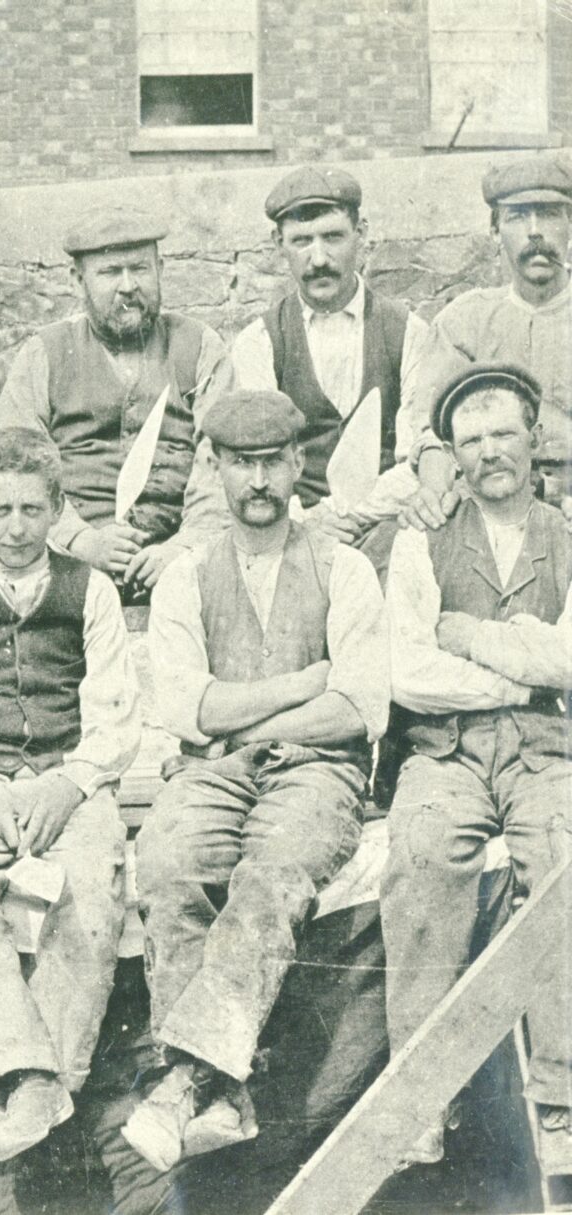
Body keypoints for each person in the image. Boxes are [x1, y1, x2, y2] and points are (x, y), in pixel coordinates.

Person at [129, 389, 389, 1173]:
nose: (259, 480)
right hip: (212, 771)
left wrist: (244, 720)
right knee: (168, 860)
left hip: (317, 770)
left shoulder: (343, 568)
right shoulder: (186, 575)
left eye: (273, 460)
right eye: (241, 462)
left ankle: (187, 1079)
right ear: (213, 468)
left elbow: (357, 705)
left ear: (298, 462)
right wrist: (294, 686)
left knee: (273, 875)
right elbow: (186, 702)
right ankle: (221, 1092)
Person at [0, 428, 141, 1161]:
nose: (15, 527)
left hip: (68, 777)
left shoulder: (93, 589)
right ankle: (23, 1069)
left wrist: (67, 782)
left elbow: (115, 714)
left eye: (32, 509)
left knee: (93, 887)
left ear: (58, 509)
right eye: (0, 509)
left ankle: (49, 1080)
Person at [380, 364, 571, 1171]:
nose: (491, 452)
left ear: (533, 438)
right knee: (422, 854)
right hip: (446, 749)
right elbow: (407, 670)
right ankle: (419, 1100)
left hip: (545, 746)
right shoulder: (419, 540)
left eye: (504, 433)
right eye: (472, 440)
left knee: (562, 855)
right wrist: (521, 666)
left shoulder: (568, 533)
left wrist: (475, 635)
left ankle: (563, 1094)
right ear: (452, 456)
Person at [0, 207, 232, 596]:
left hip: (180, 553)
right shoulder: (44, 354)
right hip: (65, 557)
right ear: (79, 280)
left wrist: (183, 548)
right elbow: (17, 467)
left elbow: (220, 463)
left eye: (139, 269)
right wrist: (81, 541)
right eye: (109, 273)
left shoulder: (199, 347)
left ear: (160, 269)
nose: (128, 286)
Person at [230, 166, 453, 556]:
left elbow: (419, 451)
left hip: (388, 526)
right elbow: (257, 457)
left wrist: (351, 514)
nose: (318, 259)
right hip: (291, 532)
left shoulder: (408, 332)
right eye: (301, 241)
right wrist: (305, 519)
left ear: (361, 234)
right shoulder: (259, 342)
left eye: (333, 237)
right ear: (278, 243)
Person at [418, 155, 572, 526]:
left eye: (550, 214)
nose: (535, 232)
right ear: (494, 230)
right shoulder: (463, 322)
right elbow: (431, 434)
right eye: (517, 217)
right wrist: (435, 494)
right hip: (488, 502)